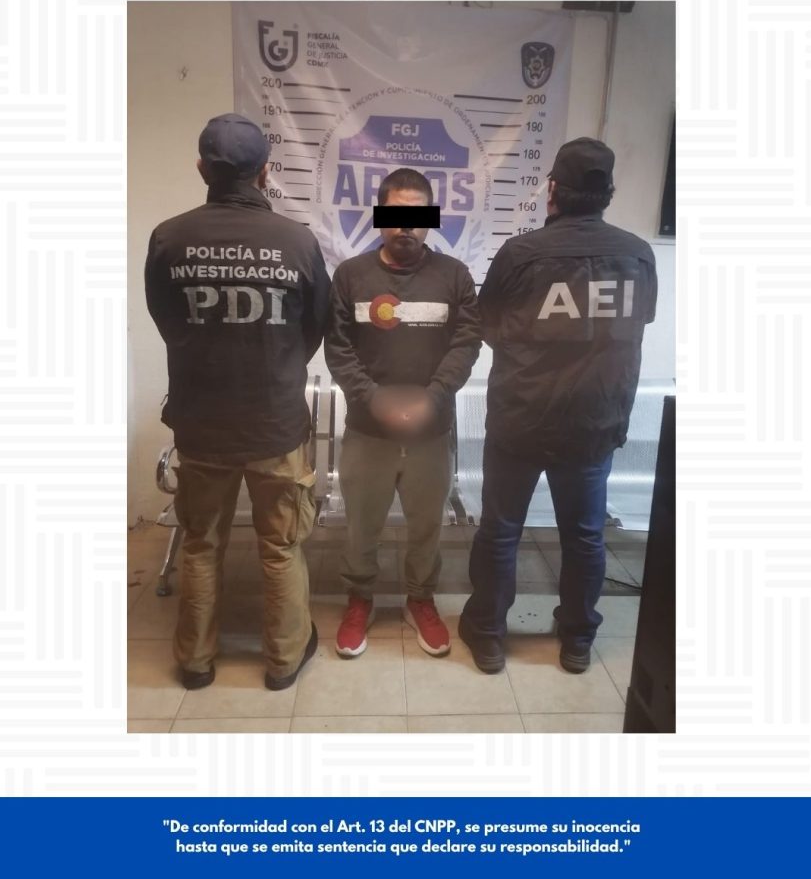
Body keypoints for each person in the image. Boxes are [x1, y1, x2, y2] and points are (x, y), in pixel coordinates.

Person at [144, 112, 331, 691]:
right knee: (281, 546)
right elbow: (314, 328)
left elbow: (167, 321)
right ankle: (283, 661)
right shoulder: (297, 241)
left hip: (201, 426)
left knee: (201, 545)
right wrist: (275, 365)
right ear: (265, 171)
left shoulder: (168, 238)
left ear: (202, 168)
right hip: (275, 424)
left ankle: (196, 663)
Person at [459, 138, 658, 675]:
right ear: (608, 192)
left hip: (522, 419)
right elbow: (638, 323)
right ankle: (576, 641)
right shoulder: (638, 254)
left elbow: (488, 325)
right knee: (586, 535)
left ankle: (489, 637)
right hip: (594, 422)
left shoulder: (521, 254)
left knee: (501, 530)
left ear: (552, 189)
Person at [325, 168, 482, 659]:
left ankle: (420, 600)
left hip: (430, 433)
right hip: (367, 431)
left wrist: (432, 397)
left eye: (417, 216)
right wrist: (374, 399)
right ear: (379, 216)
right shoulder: (351, 276)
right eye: (395, 215)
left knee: (426, 526)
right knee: (361, 525)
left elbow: (466, 343)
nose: (406, 226)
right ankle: (359, 599)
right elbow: (338, 348)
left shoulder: (454, 276)